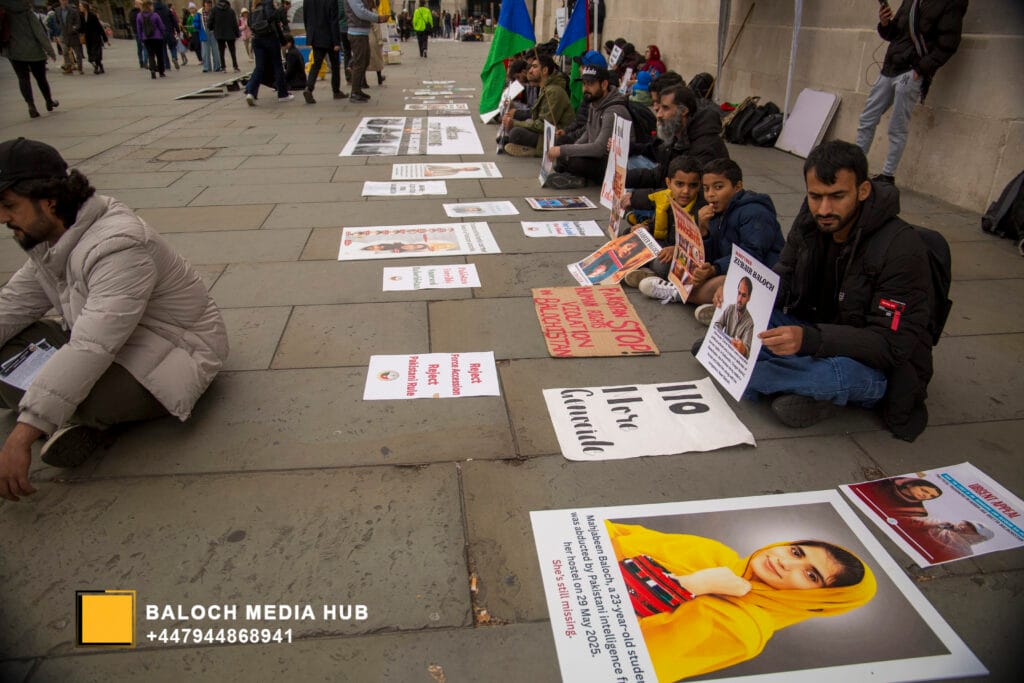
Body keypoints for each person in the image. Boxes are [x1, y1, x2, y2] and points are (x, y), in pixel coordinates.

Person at [0, 138, 228, 502]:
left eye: (10, 206)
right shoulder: (46, 239)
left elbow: (92, 347)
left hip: (173, 354)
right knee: (10, 355)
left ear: (49, 200)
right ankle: (67, 418)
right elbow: (12, 305)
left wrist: (22, 434)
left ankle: (69, 417)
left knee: (88, 395)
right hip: (112, 343)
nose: (2, 218)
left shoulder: (118, 245)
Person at [736, 141, 935, 438]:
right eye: (815, 196)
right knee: (735, 325)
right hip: (815, 328)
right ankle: (792, 383)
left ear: (863, 190)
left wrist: (810, 340)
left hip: (871, 363)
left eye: (837, 196)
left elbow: (890, 346)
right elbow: (784, 276)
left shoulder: (901, 249)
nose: (824, 209)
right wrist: (742, 297)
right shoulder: (810, 222)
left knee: (832, 374)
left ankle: (770, 375)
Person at [608, 521, 876, 682]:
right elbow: (616, 533)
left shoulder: (741, 629)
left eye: (811, 575)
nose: (786, 562)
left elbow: (617, 657)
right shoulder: (718, 554)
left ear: (819, 601)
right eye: (796, 552)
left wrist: (694, 585)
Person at [640, 159, 783, 314]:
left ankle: (678, 293)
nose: (711, 194)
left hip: (763, 278)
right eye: (706, 188)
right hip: (727, 267)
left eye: (718, 187)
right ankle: (716, 306)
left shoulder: (755, 213)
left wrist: (715, 269)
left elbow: (751, 257)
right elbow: (714, 251)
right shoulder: (716, 212)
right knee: (686, 267)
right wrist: (702, 230)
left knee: (727, 282)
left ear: (737, 187)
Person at [855, 0, 968, 185]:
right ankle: (855, 170)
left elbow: (949, 44)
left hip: (911, 72)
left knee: (896, 127)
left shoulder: (951, 3)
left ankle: (887, 175)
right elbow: (894, 34)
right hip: (889, 68)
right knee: (867, 119)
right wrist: (885, 23)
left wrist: (920, 70)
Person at [544, 62, 632, 190]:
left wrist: (564, 150)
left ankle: (581, 179)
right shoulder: (593, 103)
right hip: (595, 157)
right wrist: (571, 149)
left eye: (590, 84)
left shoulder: (613, 110)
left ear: (604, 85)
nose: (585, 89)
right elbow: (587, 133)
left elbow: (599, 148)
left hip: (611, 164)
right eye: (584, 84)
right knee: (564, 145)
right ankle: (571, 175)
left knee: (572, 158)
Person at [627, 84, 728, 190]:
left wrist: (636, 197)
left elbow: (686, 192)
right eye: (659, 109)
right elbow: (660, 174)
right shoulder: (678, 135)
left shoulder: (703, 145)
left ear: (683, 111)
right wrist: (624, 178)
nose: (659, 115)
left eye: (665, 108)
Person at [622, 156, 703, 286]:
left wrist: (676, 250)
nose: (686, 191)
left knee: (662, 265)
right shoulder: (666, 198)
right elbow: (657, 224)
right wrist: (645, 227)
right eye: (679, 184)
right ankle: (645, 271)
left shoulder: (701, 209)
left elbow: (700, 247)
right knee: (627, 234)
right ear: (668, 183)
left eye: (693, 185)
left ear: (700, 185)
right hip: (663, 245)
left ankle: (646, 271)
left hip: (678, 255)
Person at [503, 55, 574, 158]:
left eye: (535, 67)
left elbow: (543, 125)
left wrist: (514, 123)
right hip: (542, 132)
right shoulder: (545, 88)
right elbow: (535, 116)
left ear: (544, 70)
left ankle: (533, 150)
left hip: (554, 136)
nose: (530, 70)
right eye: (531, 67)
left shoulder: (554, 92)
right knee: (513, 130)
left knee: (515, 133)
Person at [5, 0, 59, 119]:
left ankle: (31, 106)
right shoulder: (27, 12)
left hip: (14, 51)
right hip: (34, 51)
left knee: (23, 78)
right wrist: (50, 50)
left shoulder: (5, 11)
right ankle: (49, 101)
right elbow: (39, 32)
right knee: (41, 78)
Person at [244, 0, 289, 104]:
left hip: (256, 38)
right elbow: (273, 19)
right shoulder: (268, 2)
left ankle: (251, 92)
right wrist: (283, 40)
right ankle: (282, 94)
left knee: (259, 67)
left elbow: (250, 22)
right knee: (277, 66)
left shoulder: (252, 3)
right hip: (270, 37)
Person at [344, 0, 390, 103]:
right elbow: (360, 12)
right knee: (359, 62)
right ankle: (355, 92)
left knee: (364, 61)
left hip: (362, 32)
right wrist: (377, 18)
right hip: (357, 33)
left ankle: (358, 90)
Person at [302, 0, 345, 103]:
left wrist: (310, 34)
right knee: (335, 65)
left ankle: (309, 88)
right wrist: (336, 42)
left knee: (316, 64)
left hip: (315, 36)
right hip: (329, 36)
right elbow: (334, 20)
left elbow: (305, 17)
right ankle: (336, 91)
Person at [900, 517, 994, 562]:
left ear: (979, 538)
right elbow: (907, 522)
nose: (965, 527)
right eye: (967, 524)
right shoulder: (938, 524)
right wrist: (935, 524)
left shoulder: (964, 553)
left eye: (972, 529)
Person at [855, 476, 942, 519]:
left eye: (931, 496)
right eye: (924, 490)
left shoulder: (917, 511)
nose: (926, 496)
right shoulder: (888, 483)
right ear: (910, 484)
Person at [715, 276, 755, 358]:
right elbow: (717, 324)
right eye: (739, 293)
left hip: (733, 357)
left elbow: (747, 351)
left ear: (749, 298)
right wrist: (720, 335)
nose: (739, 299)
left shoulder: (749, 322)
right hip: (721, 347)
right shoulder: (730, 308)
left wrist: (743, 349)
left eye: (744, 295)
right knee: (697, 347)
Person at [137, 0, 168, 78]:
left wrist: (141, 38)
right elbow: (161, 26)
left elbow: (139, 28)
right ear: (150, 6)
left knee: (150, 54)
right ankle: (161, 72)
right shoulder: (155, 15)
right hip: (157, 37)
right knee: (159, 55)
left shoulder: (139, 16)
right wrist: (163, 33)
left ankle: (152, 70)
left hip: (146, 38)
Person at [210, 0, 240, 72]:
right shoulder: (231, 10)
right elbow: (234, 23)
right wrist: (237, 33)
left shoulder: (214, 10)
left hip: (219, 33)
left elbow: (210, 21)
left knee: (221, 51)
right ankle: (235, 66)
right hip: (230, 33)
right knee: (232, 51)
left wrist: (212, 28)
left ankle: (223, 67)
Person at [78, 1, 107, 74]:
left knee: (95, 53)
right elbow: (82, 28)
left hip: (95, 37)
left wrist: (104, 38)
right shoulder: (81, 16)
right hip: (88, 38)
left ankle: (97, 67)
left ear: (85, 7)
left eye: (80, 6)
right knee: (90, 55)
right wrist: (76, 29)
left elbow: (99, 26)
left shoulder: (92, 15)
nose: (79, 8)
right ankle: (100, 66)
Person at [56, 0, 83, 74]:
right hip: (64, 34)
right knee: (65, 52)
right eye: (62, 0)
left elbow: (78, 22)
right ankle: (68, 68)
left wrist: (74, 28)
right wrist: (59, 29)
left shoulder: (73, 10)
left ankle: (80, 68)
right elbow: (57, 21)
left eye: (65, 0)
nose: (63, 1)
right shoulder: (57, 10)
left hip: (73, 34)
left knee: (77, 52)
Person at [153, 0, 179, 70]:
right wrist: (177, 30)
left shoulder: (154, 11)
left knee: (163, 49)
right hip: (169, 31)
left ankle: (167, 64)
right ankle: (174, 57)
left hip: (159, 33)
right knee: (173, 46)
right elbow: (174, 20)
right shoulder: (167, 9)